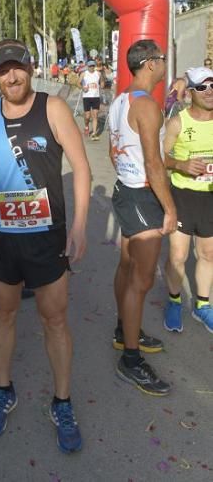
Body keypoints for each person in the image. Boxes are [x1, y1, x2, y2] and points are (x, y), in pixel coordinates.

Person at [0, 40, 91, 453]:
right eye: (4, 71)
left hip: (46, 237)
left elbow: (81, 167)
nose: (12, 77)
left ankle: (62, 401)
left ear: (29, 68)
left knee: (54, 319)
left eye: (18, 68)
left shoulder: (52, 107)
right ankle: (4, 389)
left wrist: (78, 226)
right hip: (1, 237)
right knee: (2, 315)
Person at [108, 39, 177, 396]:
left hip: (126, 190)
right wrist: (169, 208)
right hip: (141, 194)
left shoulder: (121, 99)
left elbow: (112, 149)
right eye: (162, 59)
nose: (165, 63)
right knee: (142, 279)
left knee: (126, 265)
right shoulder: (146, 105)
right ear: (149, 64)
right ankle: (131, 359)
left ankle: (125, 331)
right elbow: (153, 162)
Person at [163, 66, 213, 334]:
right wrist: (181, 164)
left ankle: (202, 306)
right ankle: (174, 300)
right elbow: (161, 158)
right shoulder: (178, 122)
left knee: (208, 254)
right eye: (202, 87)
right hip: (183, 196)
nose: (209, 92)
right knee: (178, 255)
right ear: (191, 92)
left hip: (210, 197)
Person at [79, 60, 101, 139]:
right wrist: (83, 88)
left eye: (93, 66)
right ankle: (86, 126)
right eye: (90, 66)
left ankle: (94, 133)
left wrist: (102, 85)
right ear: (87, 67)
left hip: (96, 96)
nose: (92, 67)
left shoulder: (98, 74)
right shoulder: (84, 74)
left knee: (95, 115)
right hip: (87, 97)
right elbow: (78, 82)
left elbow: (101, 82)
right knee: (87, 116)